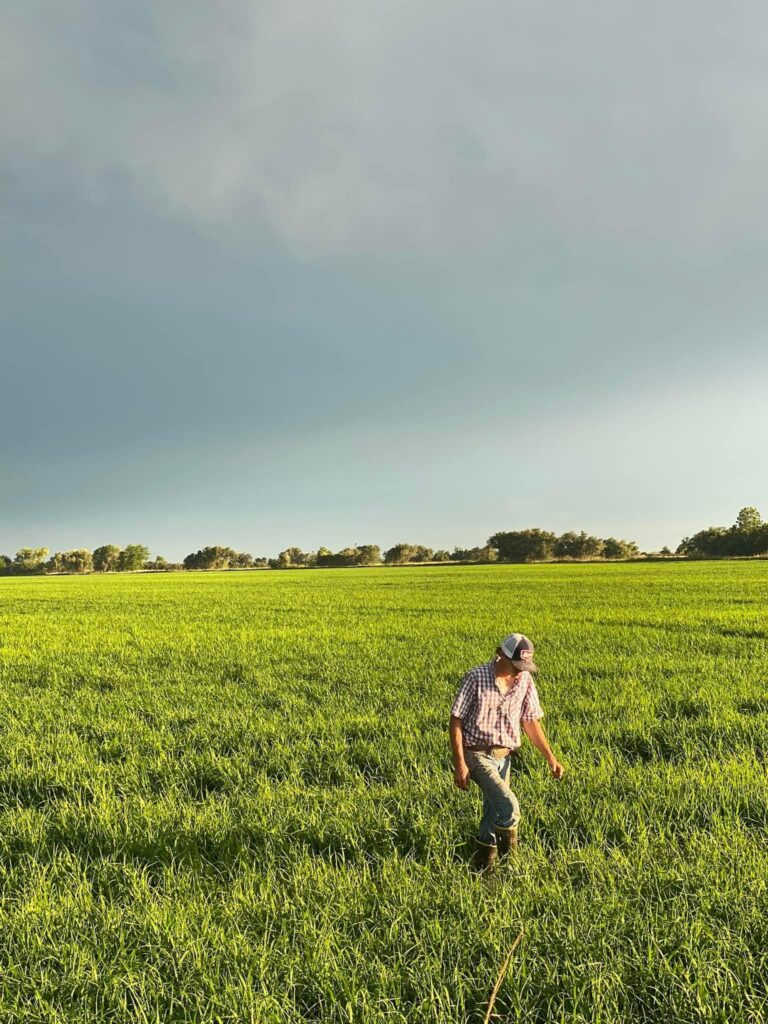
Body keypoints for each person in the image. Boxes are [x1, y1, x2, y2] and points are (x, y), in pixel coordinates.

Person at [449, 633, 564, 873]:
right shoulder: (476, 677)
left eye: (525, 666)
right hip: (477, 754)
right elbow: (456, 719)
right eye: (516, 665)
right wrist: (460, 762)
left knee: (491, 820)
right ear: (501, 655)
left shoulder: (525, 681)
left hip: (505, 757)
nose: (521, 671)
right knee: (509, 807)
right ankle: (511, 868)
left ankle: (482, 871)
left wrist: (550, 757)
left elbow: (530, 721)